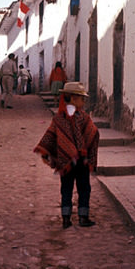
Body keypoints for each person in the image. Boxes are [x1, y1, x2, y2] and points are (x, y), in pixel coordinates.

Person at [34, 81, 99, 228]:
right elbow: (93, 133)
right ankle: (83, 217)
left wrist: (49, 152)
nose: (83, 101)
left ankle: (66, 219)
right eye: (82, 98)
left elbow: (50, 137)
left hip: (65, 162)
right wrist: (86, 146)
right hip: (81, 161)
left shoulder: (58, 118)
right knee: (84, 189)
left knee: (66, 189)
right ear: (74, 98)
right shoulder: (83, 117)